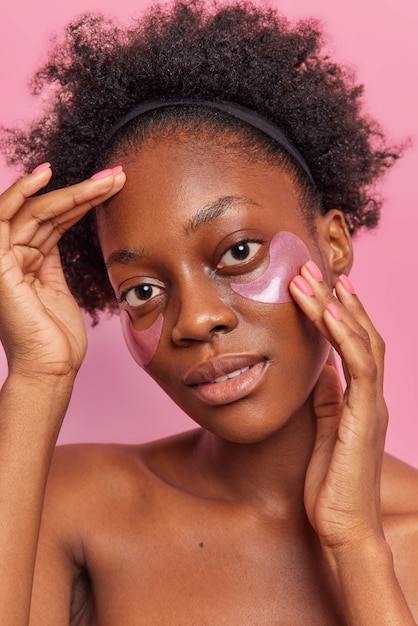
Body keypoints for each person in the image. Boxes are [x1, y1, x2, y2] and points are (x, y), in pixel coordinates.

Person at [0, 0, 417, 623]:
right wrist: (37, 376)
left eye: (239, 252)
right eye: (142, 291)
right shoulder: (73, 505)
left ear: (332, 245)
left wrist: (354, 544)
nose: (195, 321)